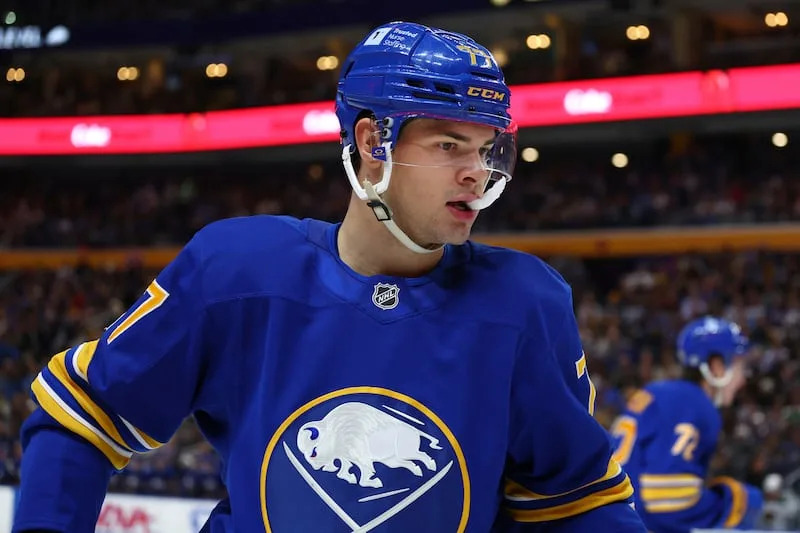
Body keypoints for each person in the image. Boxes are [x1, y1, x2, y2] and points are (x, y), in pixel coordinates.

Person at [13, 21, 645, 532]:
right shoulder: (237, 270)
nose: (476, 172)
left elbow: (581, 501)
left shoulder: (525, 304)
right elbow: (83, 415)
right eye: (449, 146)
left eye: (485, 150)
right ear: (373, 141)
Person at [610, 316, 763, 533]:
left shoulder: (658, 391)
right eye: (739, 367)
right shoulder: (695, 404)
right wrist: (733, 501)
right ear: (717, 367)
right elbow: (665, 500)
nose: (743, 380)